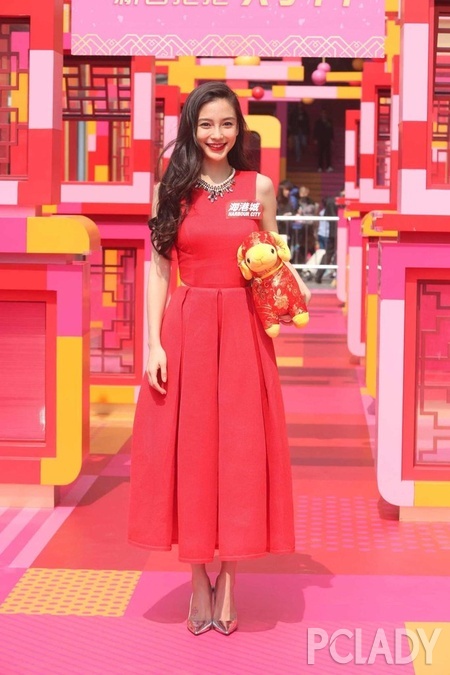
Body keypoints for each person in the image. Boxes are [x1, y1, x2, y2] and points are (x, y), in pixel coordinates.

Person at [128, 82, 311, 637]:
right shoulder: (172, 189)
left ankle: (229, 576)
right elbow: (159, 268)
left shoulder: (259, 188)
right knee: (190, 450)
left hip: (244, 332)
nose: (216, 134)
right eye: (206, 124)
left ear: (239, 129)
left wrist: (286, 284)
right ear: (191, 127)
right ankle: (196, 578)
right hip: (186, 329)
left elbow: (274, 256)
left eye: (226, 123)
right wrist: (154, 344)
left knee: (239, 451)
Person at [315, 196, 338, 283]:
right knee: (334, 254)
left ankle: (318, 275)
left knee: (328, 254)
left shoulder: (330, 203)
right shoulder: (335, 202)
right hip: (338, 232)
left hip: (332, 232)